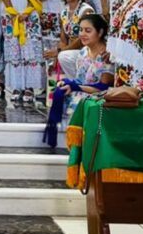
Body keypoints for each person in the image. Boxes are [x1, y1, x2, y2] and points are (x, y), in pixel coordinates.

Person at [42, 13, 113, 149]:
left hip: (99, 97)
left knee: (77, 103)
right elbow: (79, 79)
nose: (82, 34)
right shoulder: (83, 52)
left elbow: (103, 87)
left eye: (88, 31)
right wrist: (69, 84)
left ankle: (79, 146)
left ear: (100, 32)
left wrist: (76, 87)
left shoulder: (107, 56)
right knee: (61, 92)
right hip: (83, 91)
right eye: (80, 30)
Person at [48, 0, 96, 80]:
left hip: (88, 51)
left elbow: (83, 39)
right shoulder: (64, 12)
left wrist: (61, 52)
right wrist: (58, 54)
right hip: (74, 51)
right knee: (53, 60)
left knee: (63, 56)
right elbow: (63, 39)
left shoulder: (86, 10)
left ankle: (80, 85)